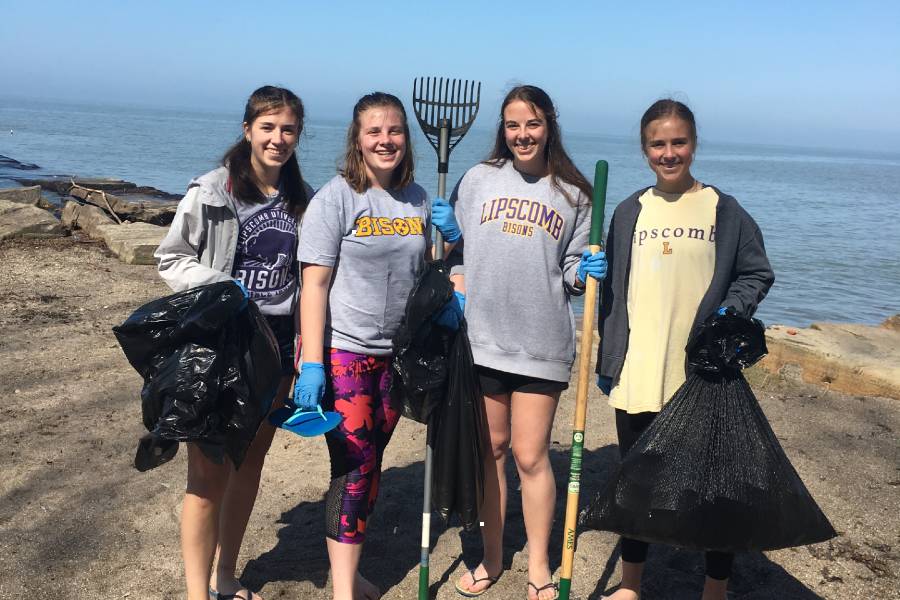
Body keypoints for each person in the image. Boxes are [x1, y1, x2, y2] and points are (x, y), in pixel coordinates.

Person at [594, 99, 775, 600]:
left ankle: (714, 588)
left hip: (701, 372)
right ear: (644, 148)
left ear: (693, 144)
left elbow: (756, 271)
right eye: (658, 144)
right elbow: (613, 291)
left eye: (678, 142)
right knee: (637, 484)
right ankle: (631, 586)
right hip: (638, 370)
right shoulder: (630, 210)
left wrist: (727, 312)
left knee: (715, 488)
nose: (669, 153)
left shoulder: (723, 208)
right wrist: (608, 358)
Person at [446, 85, 607, 600]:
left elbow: (571, 274)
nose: (522, 135)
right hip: (483, 339)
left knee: (530, 455)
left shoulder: (574, 193)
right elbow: (455, 253)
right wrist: (450, 258)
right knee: (490, 450)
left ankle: (539, 563)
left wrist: (585, 272)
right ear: (503, 129)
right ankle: (493, 557)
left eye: (532, 124)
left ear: (549, 127)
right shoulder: (476, 180)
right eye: (513, 125)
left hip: (542, 343)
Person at [295, 91, 457, 600]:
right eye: (374, 132)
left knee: (371, 465)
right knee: (354, 466)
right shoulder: (336, 198)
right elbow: (314, 285)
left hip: (396, 355)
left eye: (394, 131)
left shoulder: (417, 198)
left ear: (406, 138)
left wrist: (451, 241)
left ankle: (354, 573)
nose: (385, 140)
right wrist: (313, 363)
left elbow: (425, 271)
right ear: (357, 139)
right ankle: (344, 590)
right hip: (345, 354)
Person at [155, 85, 312, 600]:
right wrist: (220, 285)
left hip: (279, 347)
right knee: (207, 472)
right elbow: (171, 257)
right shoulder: (212, 192)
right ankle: (197, 592)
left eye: (288, 129)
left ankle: (226, 576)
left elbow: (313, 275)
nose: (278, 138)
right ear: (248, 130)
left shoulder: (302, 200)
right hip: (220, 345)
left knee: (249, 465)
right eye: (268, 127)